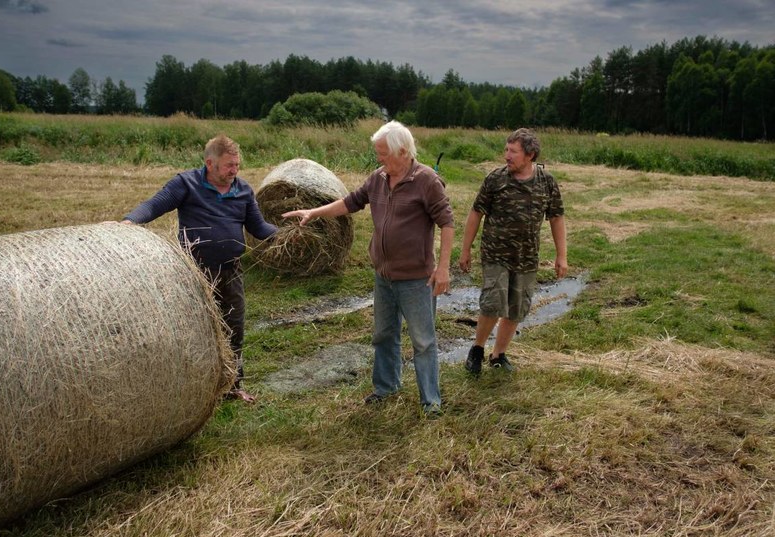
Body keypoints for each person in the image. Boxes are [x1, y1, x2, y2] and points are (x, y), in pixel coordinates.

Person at [282, 121, 454, 415]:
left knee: (423, 341)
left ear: (403, 151)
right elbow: (350, 203)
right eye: (378, 153)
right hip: (384, 276)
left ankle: (431, 402)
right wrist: (314, 212)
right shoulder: (378, 178)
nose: (379, 159)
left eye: (383, 153)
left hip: (416, 279)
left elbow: (447, 223)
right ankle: (387, 386)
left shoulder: (426, 180)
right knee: (384, 334)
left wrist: (443, 268)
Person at [122, 135, 277, 403]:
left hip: (230, 272)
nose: (234, 171)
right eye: (229, 166)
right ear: (210, 163)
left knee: (233, 328)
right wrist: (129, 222)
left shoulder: (243, 191)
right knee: (196, 330)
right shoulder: (186, 184)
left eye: (237, 165)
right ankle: (194, 387)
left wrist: (285, 234)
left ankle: (232, 386)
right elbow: (155, 204)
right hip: (194, 273)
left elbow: (259, 228)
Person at [459, 128, 567, 375]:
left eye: (513, 151)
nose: (507, 156)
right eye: (506, 149)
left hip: (527, 257)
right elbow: (476, 213)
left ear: (530, 155)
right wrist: (465, 250)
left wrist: (562, 256)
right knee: (493, 303)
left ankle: (498, 355)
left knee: (517, 307)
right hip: (496, 254)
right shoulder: (495, 179)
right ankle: (477, 349)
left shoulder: (546, 182)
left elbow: (556, 217)